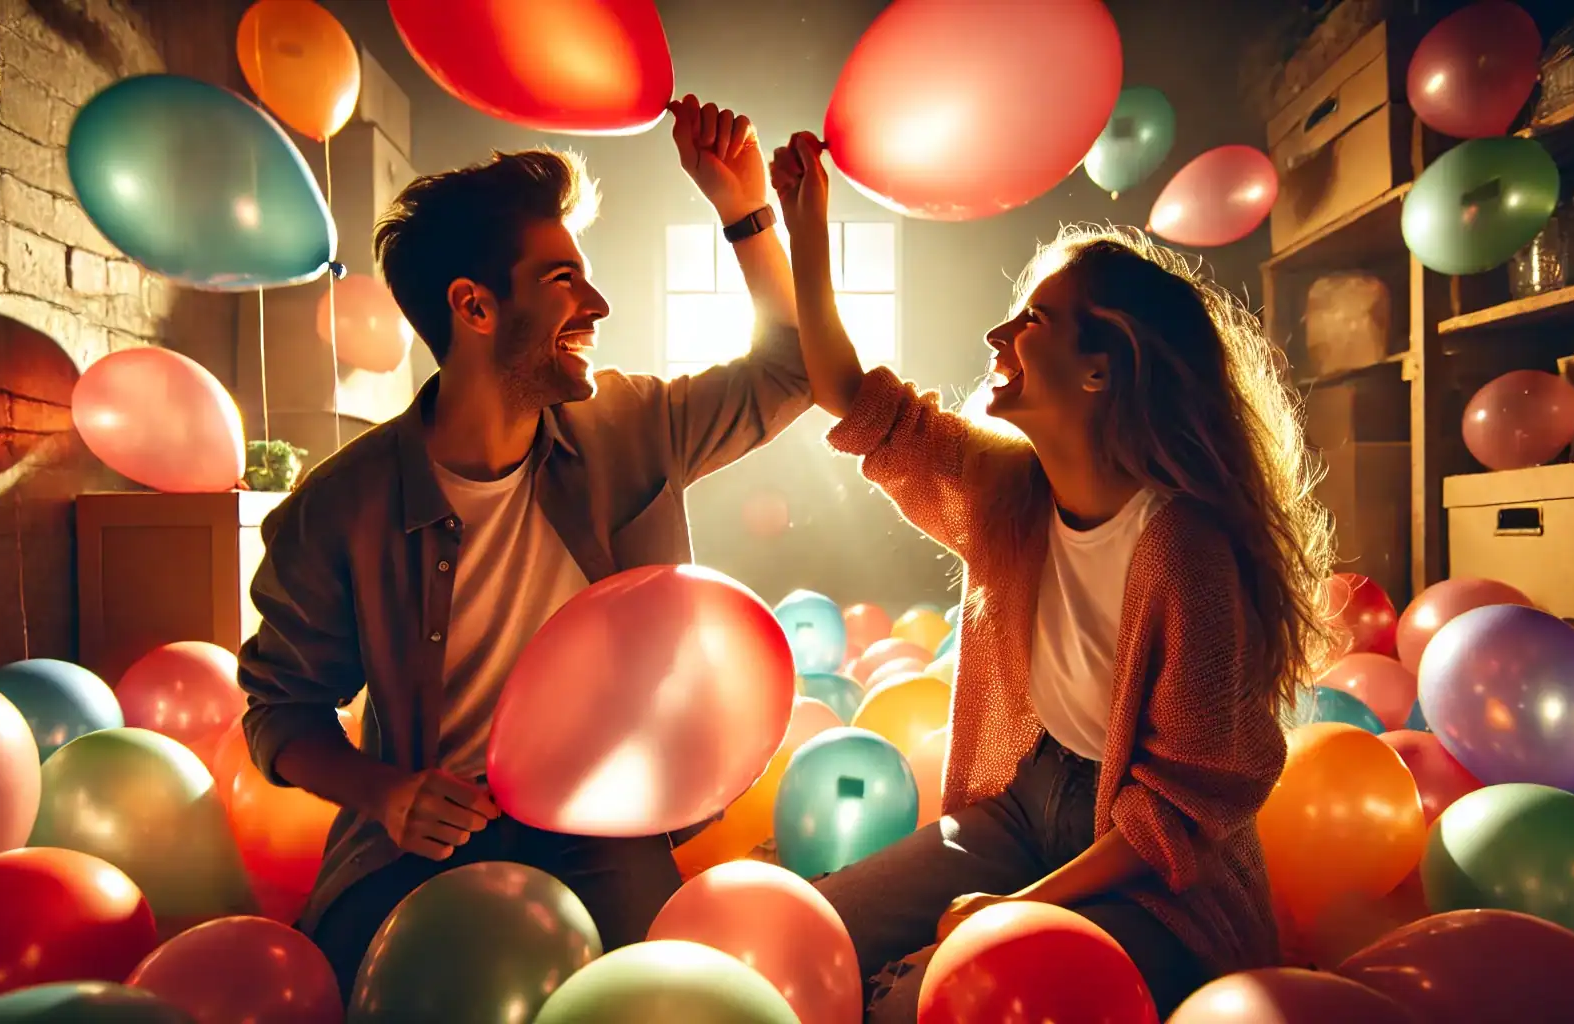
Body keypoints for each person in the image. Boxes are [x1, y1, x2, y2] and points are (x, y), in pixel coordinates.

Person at [238, 95, 811, 999]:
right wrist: (387, 793)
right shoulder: (335, 510)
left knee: (644, 1001)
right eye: (562, 282)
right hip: (421, 831)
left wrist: (744, 211)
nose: (598, 302)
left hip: (602, 816)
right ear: (473, 305)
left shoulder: (631, 424)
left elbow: (793, 367)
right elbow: (279, 710)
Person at [769, 132, 1333, 1020]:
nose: (999, 334)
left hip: (1157, 878)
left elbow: (1176, 814)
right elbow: (852, 397)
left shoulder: (1184, 547)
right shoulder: (1005, 491)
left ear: (1102, 367)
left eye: (1032, 320)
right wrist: (803, 228)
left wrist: (1016, 912)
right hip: (1029, 802)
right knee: (816, 937)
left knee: (928, 1003)